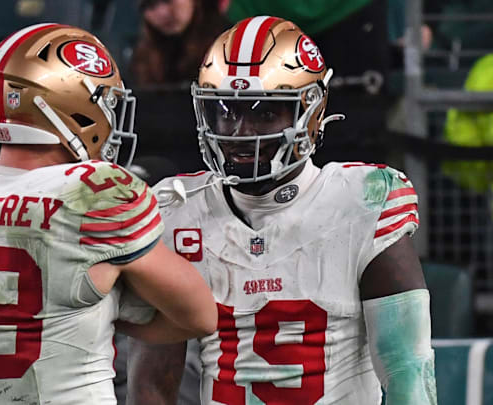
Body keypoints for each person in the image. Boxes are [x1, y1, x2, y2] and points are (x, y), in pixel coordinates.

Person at [127, 17, 438, 405]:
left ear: (310, 112)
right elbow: (152, 384)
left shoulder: (363, 201)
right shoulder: (175, 210)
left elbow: (407, 369)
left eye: (263, 113)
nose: (239, 131)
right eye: (227, 111)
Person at [0, 24, 217, 405]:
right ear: (69, 105)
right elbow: (200, 315)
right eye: (104, 103)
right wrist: (114, 315)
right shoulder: (93, 193)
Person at [130, 0, 230, 87]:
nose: (162, 13)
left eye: (168, 0)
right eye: (149, 5)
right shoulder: (143, 56)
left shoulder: (229, 45)